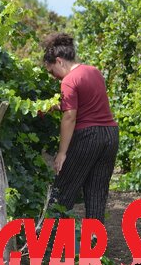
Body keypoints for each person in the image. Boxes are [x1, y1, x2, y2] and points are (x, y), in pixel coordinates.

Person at [42, 33, 118, 225]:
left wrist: (61, 153)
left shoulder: (68, 80)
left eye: (52, 72)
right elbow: (87, 103)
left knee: (63, 191)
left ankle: (50, 242)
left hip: (88, 136)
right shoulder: (93, 71)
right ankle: (94, 247)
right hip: (110, 135)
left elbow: (70, 116)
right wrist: (57, 106)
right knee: (97, 192)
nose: (54, 77)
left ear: (59, 61)